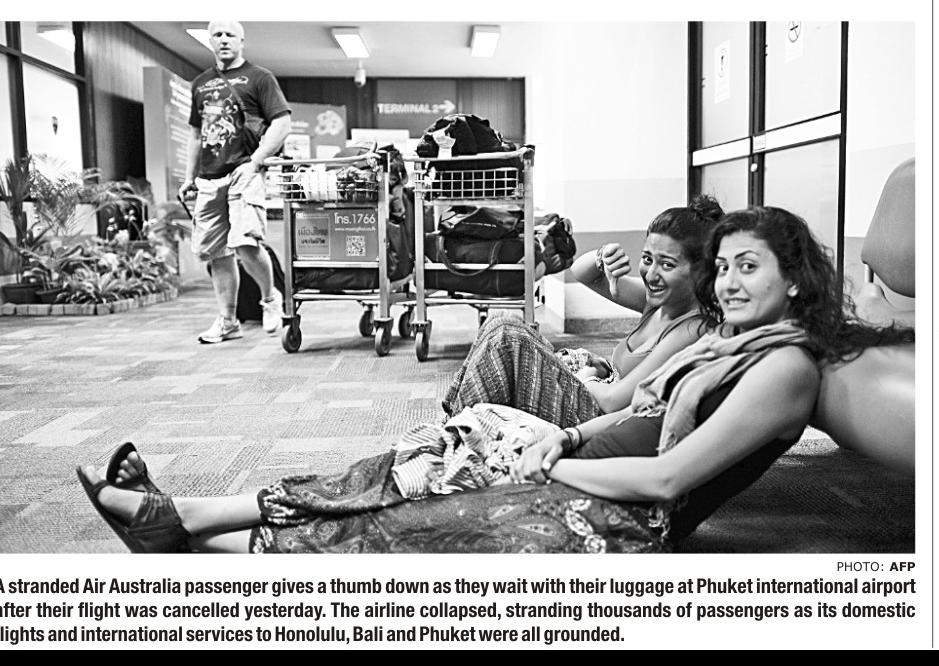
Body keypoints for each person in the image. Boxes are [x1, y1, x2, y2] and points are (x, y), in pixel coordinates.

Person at [77, 206, 914, 553]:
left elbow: (666, 479)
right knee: (408, 468)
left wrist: (552, 464)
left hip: (621, 513)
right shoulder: (729, 342)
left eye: (746, 267)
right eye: (722, 267)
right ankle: (190, 519)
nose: (726, 282)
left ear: (793, 281)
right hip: (579, 462)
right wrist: (565, 435)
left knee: (410, 524)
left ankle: (194, 534)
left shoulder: (781, 366)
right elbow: (633, 409)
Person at [442, 195, 724, 427]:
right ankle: (458, 422)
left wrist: (585, 377)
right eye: (647, 259)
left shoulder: (693, 330)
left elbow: (614, 401)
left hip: (596, 418)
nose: (651, 274)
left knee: (508, 337)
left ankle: (457, 429)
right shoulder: (658, 302)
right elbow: (582, 272)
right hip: (592, 393)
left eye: (667, 264)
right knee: (500, 323)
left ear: (701, 271)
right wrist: (603, 256)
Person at [180, 20, 292, 343]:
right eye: (217, 35)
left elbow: (282, 123)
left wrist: (256, 162)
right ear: (210, 41)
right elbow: (196, 134)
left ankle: (270, 299)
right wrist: (189, 178)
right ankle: (228, 322)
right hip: (209, 178)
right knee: (217, 252)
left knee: (245, 243)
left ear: (242, 40)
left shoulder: (260, 78)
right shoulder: (200, 83)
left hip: (245, 170)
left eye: (230, 34)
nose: (224, 39)